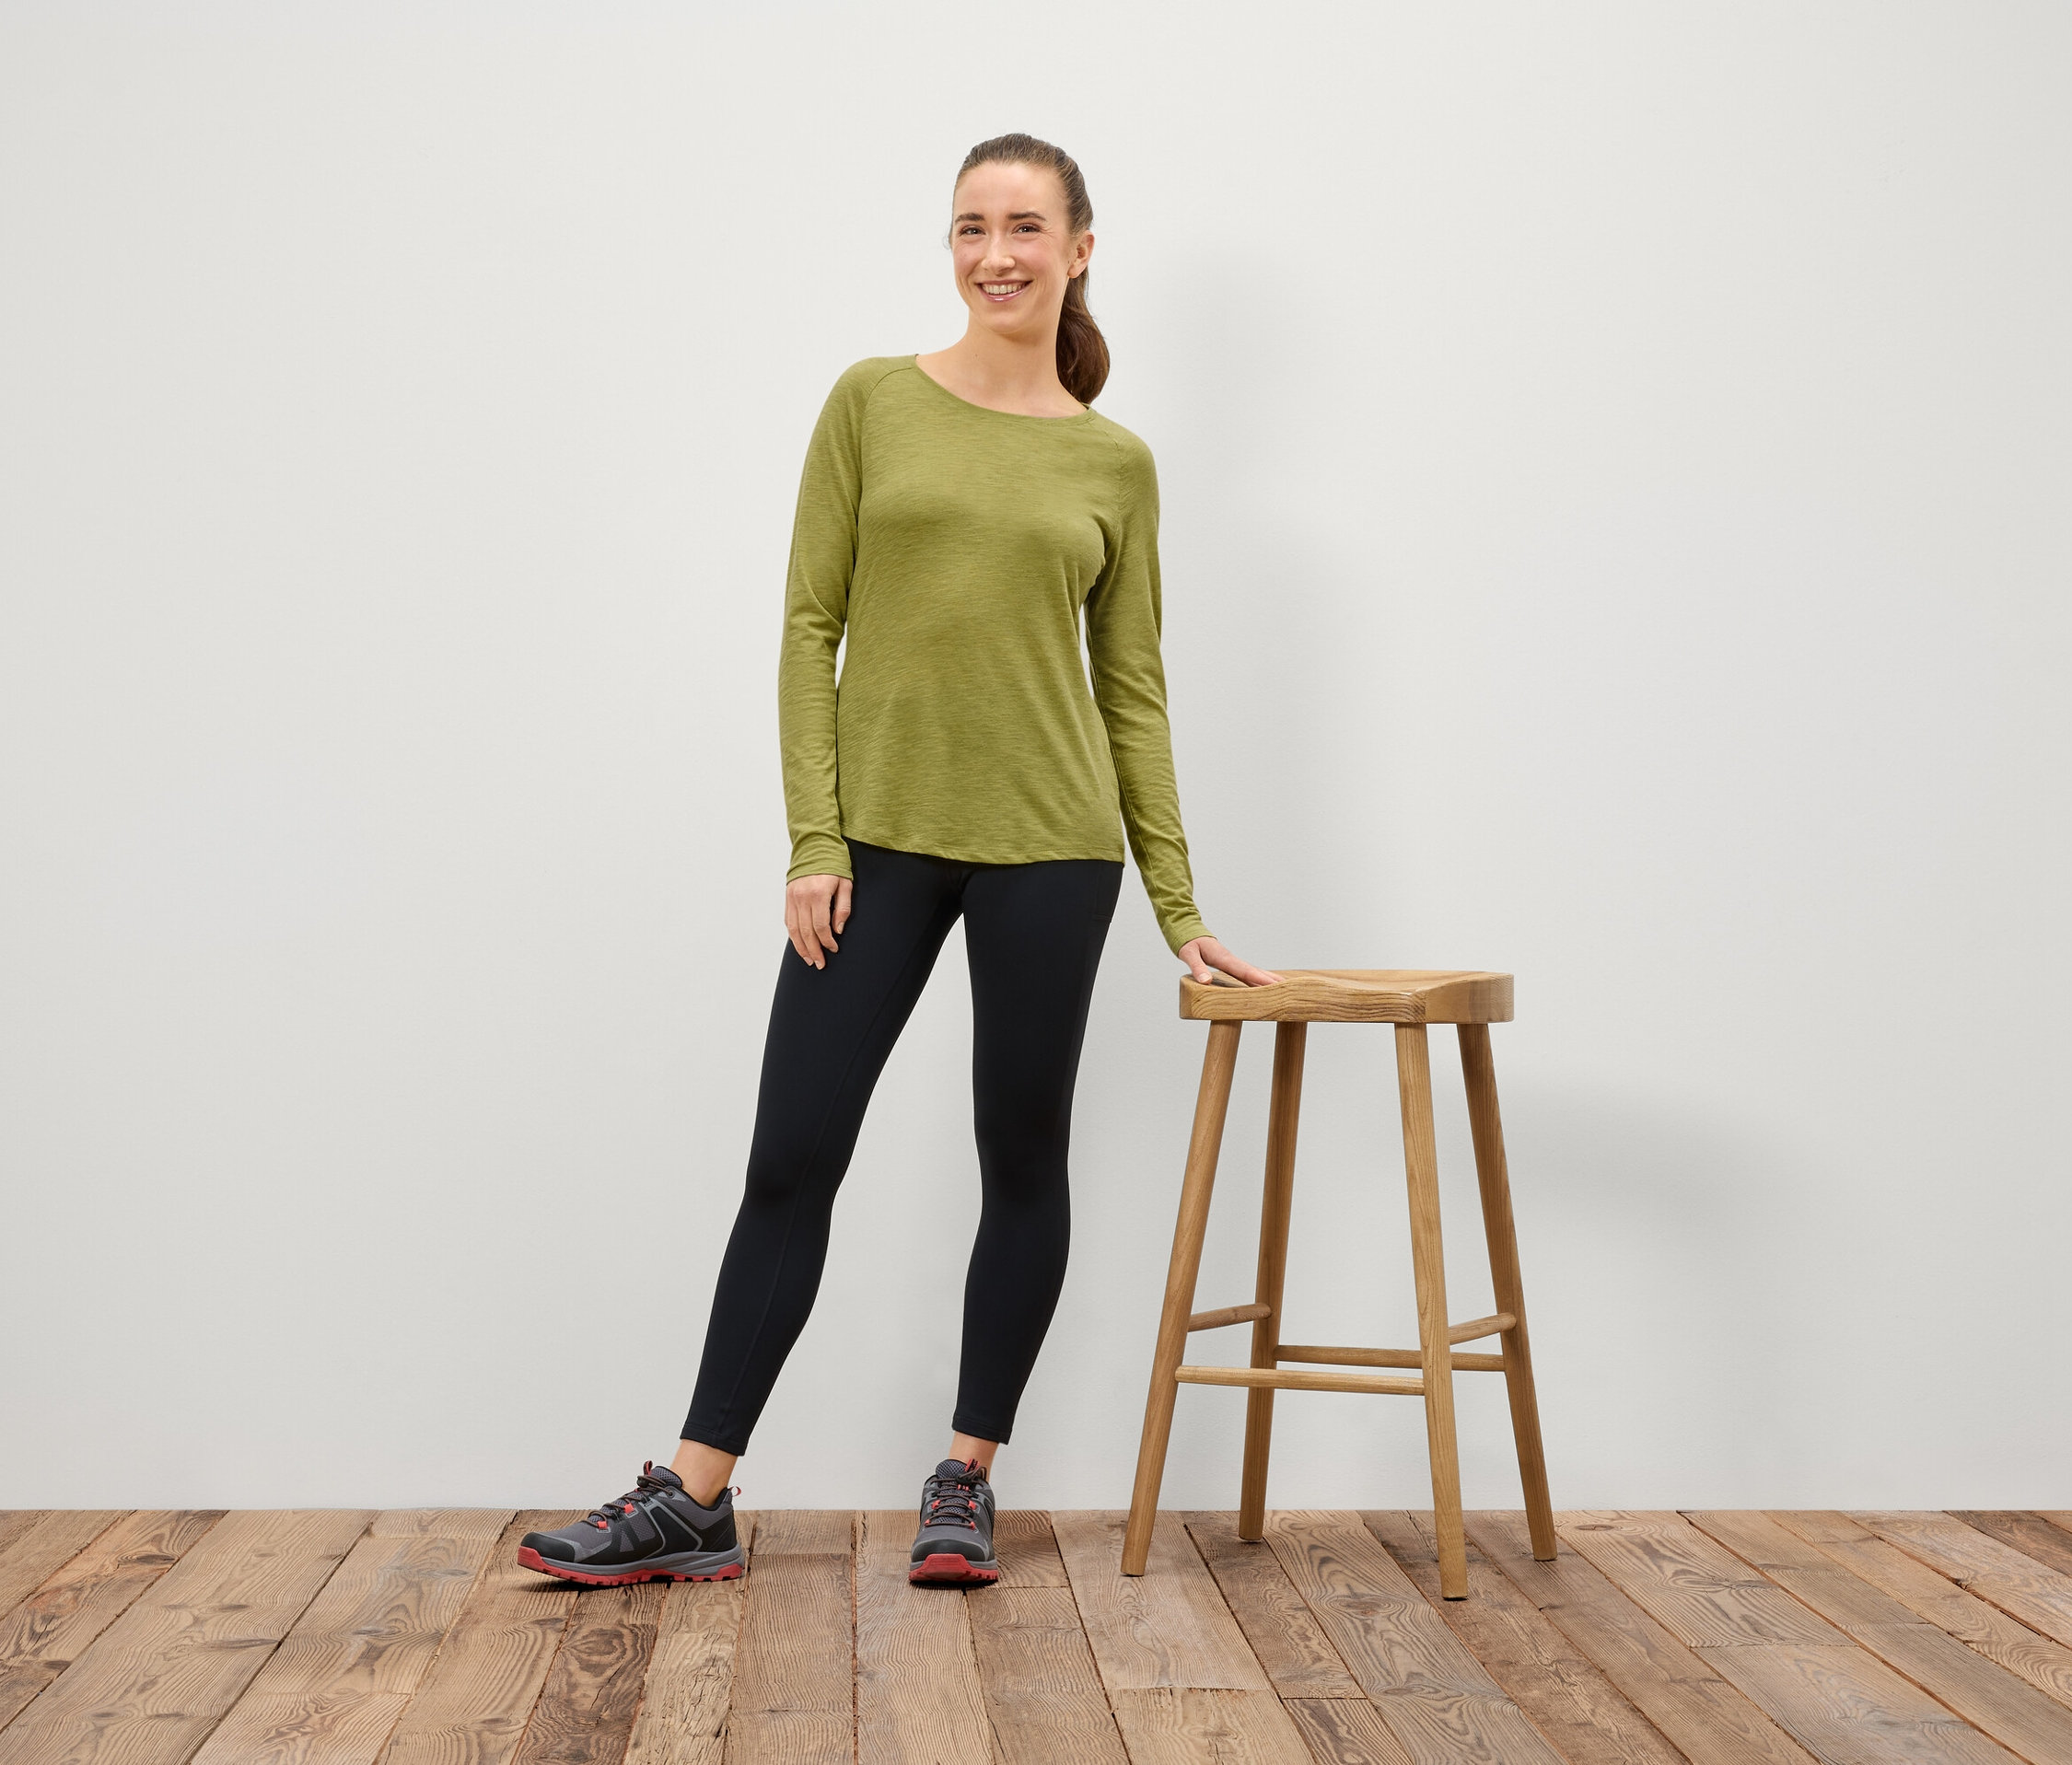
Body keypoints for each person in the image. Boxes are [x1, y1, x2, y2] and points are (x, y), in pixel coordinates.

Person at [516, 133, 1276, 1591]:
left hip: (1055, 851)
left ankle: (966, 1472)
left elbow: (1132, 689)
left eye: (1025, 228)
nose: (997, 253)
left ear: (1079, 248)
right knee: (792, 1155)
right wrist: (813, 836)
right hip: (876, 845)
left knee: (1020, 1157)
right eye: (971, 227)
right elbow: (810, 626)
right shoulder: (871, 402)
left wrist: (1178, 905)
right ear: (951, 246)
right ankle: (694, 1494)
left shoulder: (1114, 461)